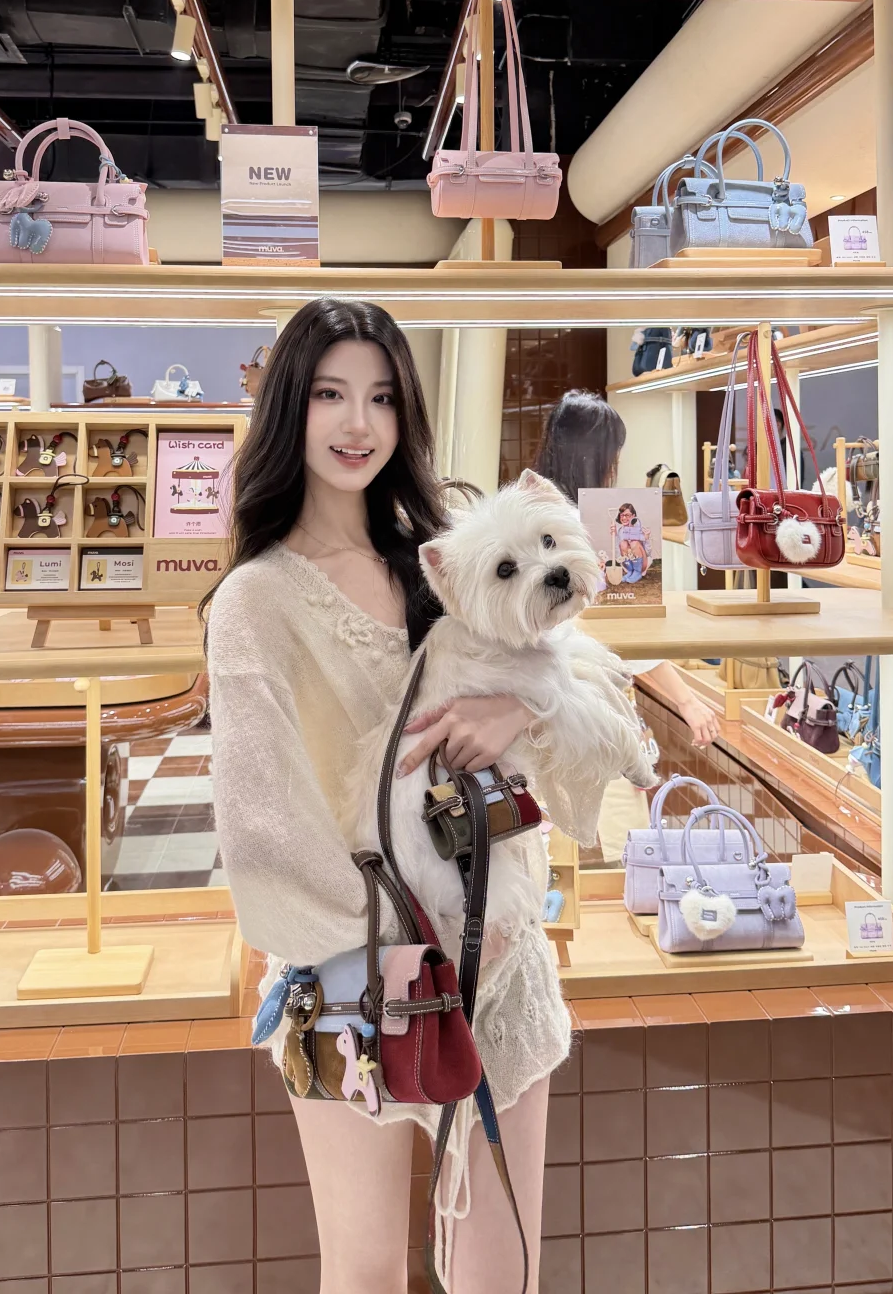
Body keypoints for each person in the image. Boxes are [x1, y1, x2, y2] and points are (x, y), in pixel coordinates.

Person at [205, 299, 641, 1293]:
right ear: (289, 408)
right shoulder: (256, 601)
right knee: (364, 1270)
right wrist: (407, 950)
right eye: (329, 395)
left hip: (499, 956)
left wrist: (517, 713)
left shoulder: (439, 553)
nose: (357, 423)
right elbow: (264, 828)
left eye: (382, 398)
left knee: (500, 1268)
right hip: (355, 980)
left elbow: (579, 670)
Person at [533, 389, 720, 748]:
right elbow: (625, 626)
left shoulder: (529, 511)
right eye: (614, 454)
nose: (615, 465)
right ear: (596, 456)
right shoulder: (589, 523)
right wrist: (687, 701)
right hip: (588, 701)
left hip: (536, 697)